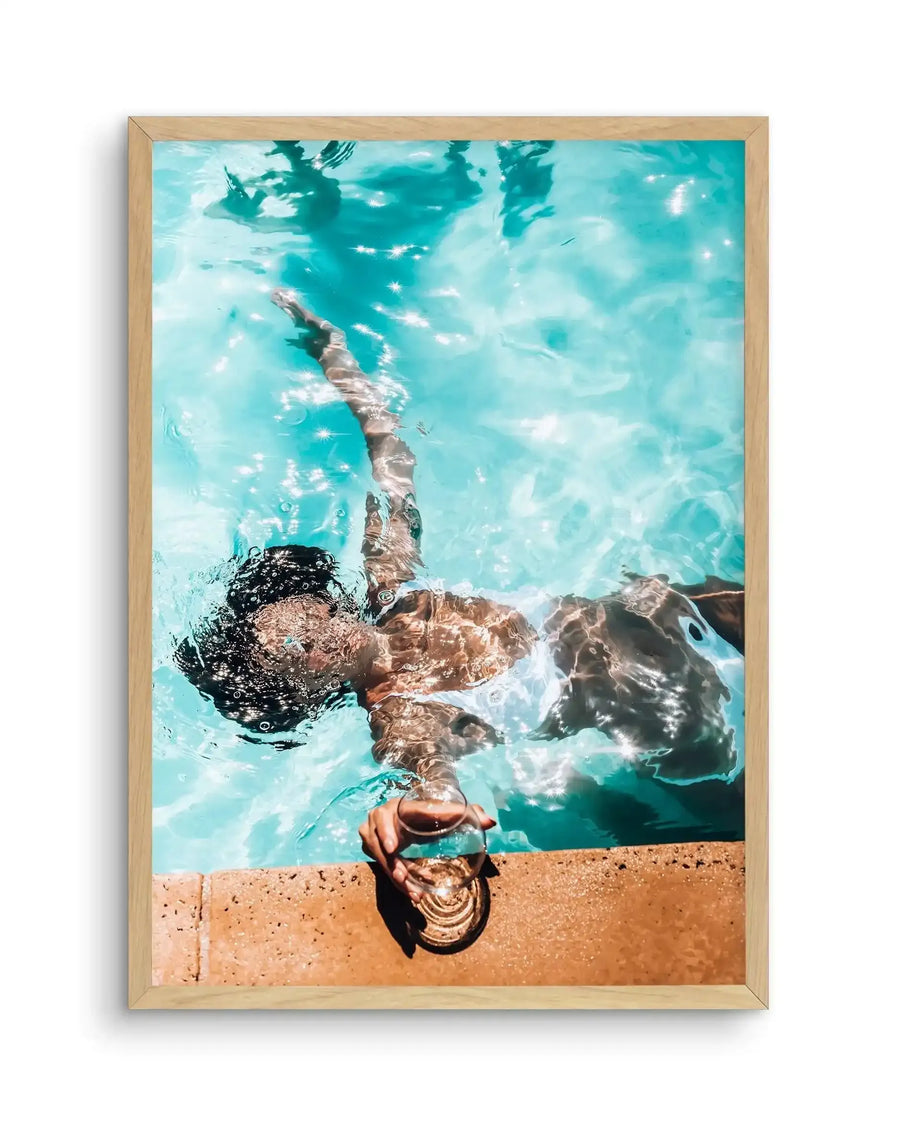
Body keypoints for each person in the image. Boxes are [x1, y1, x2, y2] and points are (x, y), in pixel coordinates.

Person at [176, 291, 745, 900]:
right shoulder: (401, 717)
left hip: (661, 614)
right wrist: (413, 817)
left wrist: (336, 360)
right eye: (291, 657)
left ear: (314, 601)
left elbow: (392, 458)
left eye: (294, 623)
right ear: (305, 693)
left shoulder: (394, 585)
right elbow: (435, 789)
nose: (307, 639)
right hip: (665, 717)